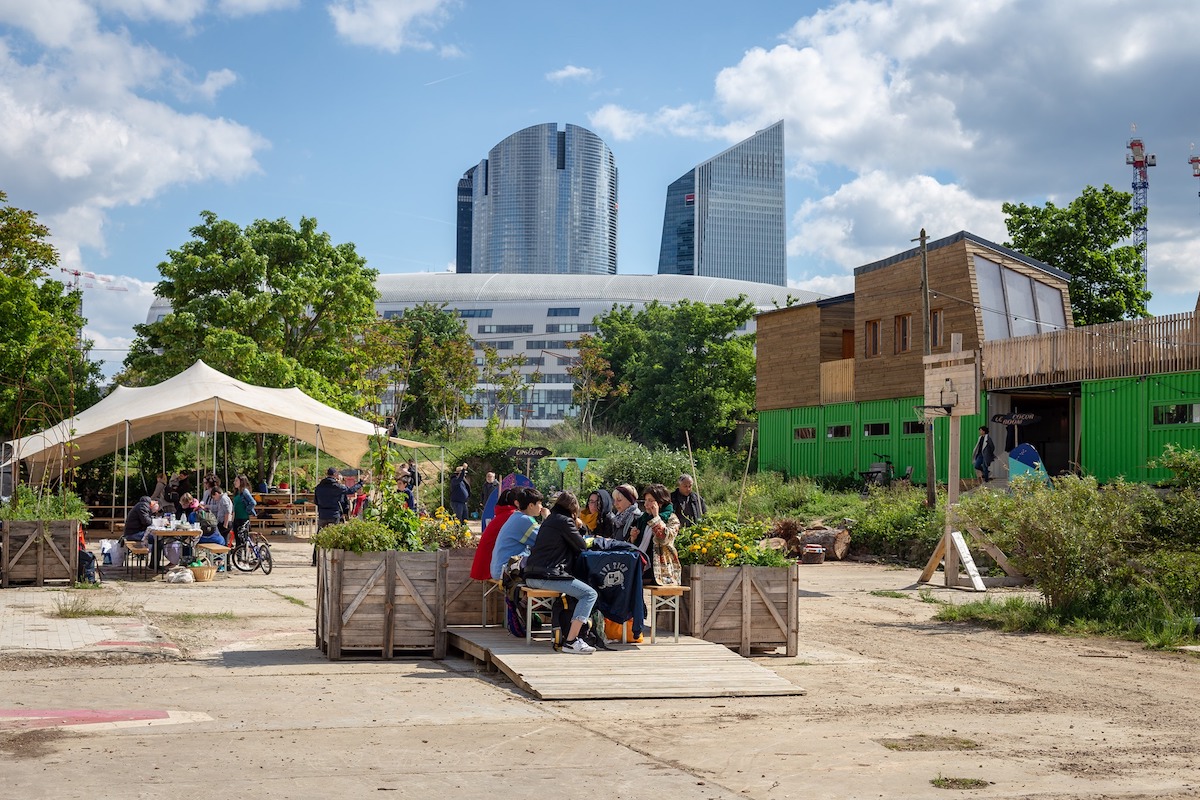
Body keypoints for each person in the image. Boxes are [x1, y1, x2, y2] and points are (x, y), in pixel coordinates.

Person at [523, 490, 599, 655]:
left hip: (532, 575)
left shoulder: (550, 519)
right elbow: (581, 546)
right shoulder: (565, 521)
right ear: (573, 509)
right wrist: (580, 527)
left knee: (580, 593)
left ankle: (572, 637)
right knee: (589, 594)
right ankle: (571, 641)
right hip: (547, 576)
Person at [489, 487, 545, 580]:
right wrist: (548, 517)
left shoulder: (516, 516)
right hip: (507, 571)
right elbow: (546, 539)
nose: (542, 507)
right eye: (539, 503)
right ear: (531, 505)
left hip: (499, 569)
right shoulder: (525, 520)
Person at [632, 483, 681, 586]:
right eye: (645, 500)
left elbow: (664, 539)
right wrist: (633, 538)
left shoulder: (672, 519)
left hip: (661, 570)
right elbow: (639, 545)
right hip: (641, 563)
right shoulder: (643, 519)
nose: (646, 504)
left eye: (650, 501)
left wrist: (656, 517)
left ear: (660, 502)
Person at [313, 467, 362, 565]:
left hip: (322, 514)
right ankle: (334, 560)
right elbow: (351, 490)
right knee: (335, 537)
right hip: (334, 514)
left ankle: (315, 560)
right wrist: (360, 483)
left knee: (319, 537)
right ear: (335, 475)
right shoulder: (337, 486)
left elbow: (316, 501)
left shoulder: (318, 487)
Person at [471, 486, 518, 581]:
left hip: (483, 563)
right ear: (517, 502)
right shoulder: (513, 515)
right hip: (490, 565)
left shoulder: (503, 514)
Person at [123, 495, 160, 571]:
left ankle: (154, 564)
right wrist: (154, 517)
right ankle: (154, 565)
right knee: (157, 539)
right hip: (132, 534)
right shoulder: (143, 506)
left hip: (134, 532)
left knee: (157, 539)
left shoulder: (142, 505)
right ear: (153, 504)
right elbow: (146, 521)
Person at [229, 474, 257, 572]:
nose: (234, 483)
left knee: (243, 540)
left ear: (241, 482)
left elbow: (253, 502)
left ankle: (244, 560)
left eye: (236, 481)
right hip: (236, 518)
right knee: (237, 540)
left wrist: (247, 510)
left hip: (243, 518)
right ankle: (239, 559)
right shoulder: (237, 493)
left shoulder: (244, 491)